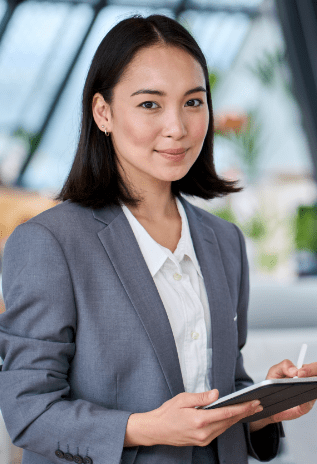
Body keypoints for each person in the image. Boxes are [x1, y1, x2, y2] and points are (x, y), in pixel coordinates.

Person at [0, 13, 316, 464]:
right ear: (103, 112)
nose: (178, 127)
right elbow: (28, 413)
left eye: (193, 102)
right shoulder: (50, 244)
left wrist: (263, 408)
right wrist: (145, 428)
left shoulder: (224, 242)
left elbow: (221, 388)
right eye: (150, 104)